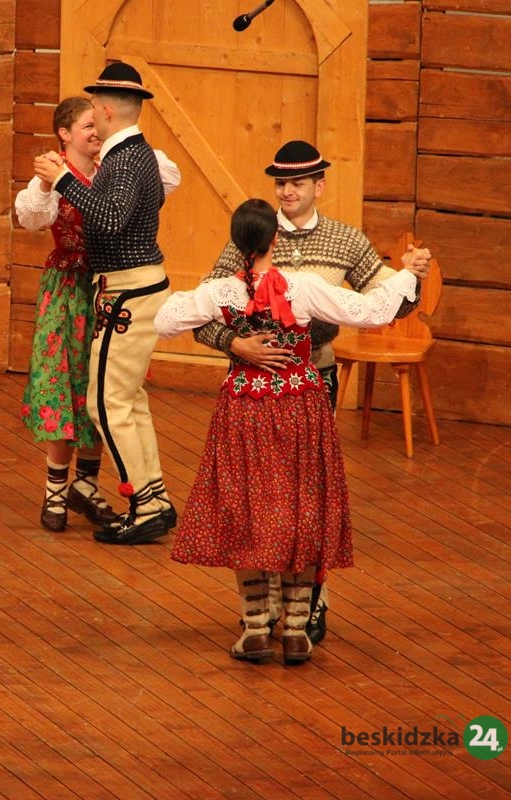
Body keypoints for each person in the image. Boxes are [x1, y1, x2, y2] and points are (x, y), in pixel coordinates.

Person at [155, 198, 420, 664]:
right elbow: (372, 311)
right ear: (274, 239)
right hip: (300, 402)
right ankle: (296, 630)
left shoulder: (221, 292)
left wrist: (234, 339)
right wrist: (407, 273)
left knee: (248, 507)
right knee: (304, 506)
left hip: (245, 405)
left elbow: (165, 321)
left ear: (237, 242)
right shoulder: (303, 287)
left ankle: (256, 627)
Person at [16, 96, 182, 533]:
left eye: (97, 123)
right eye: (85, 126)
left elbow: (146, 185)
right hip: (70, 290)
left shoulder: (117, 166)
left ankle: (86, 484)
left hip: (112, 288)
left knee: (103, 389)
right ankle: (55, 488)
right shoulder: (53, 178)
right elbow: (32, 218)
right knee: (61, 385)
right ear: (64, 135)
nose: (94, 132)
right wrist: (55, 181)